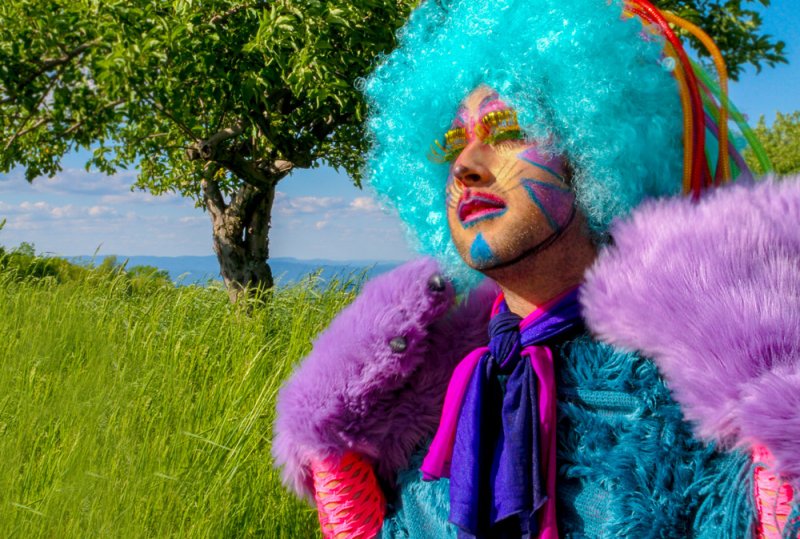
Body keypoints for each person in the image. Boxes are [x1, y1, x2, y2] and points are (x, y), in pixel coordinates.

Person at [273, 0, 800, 537]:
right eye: (454, 143)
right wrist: (337, 457)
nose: (465, 166)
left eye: (507, 129)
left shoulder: (690, 398)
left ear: (595, 151)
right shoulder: (430, 411)